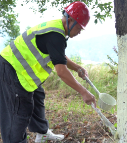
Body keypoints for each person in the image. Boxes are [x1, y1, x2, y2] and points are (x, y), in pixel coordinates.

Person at [0, 1, 96, 143]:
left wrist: (77, 68)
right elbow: (61, 72)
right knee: (19, 111)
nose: (80, 32)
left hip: (19, 69)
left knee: (38, 95)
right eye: (80, 28)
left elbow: (57, 55)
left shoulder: (57, 27)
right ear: (70, 21)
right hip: (12, 69)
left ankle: (42, 132)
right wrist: (83, 92)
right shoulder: (56, 35)